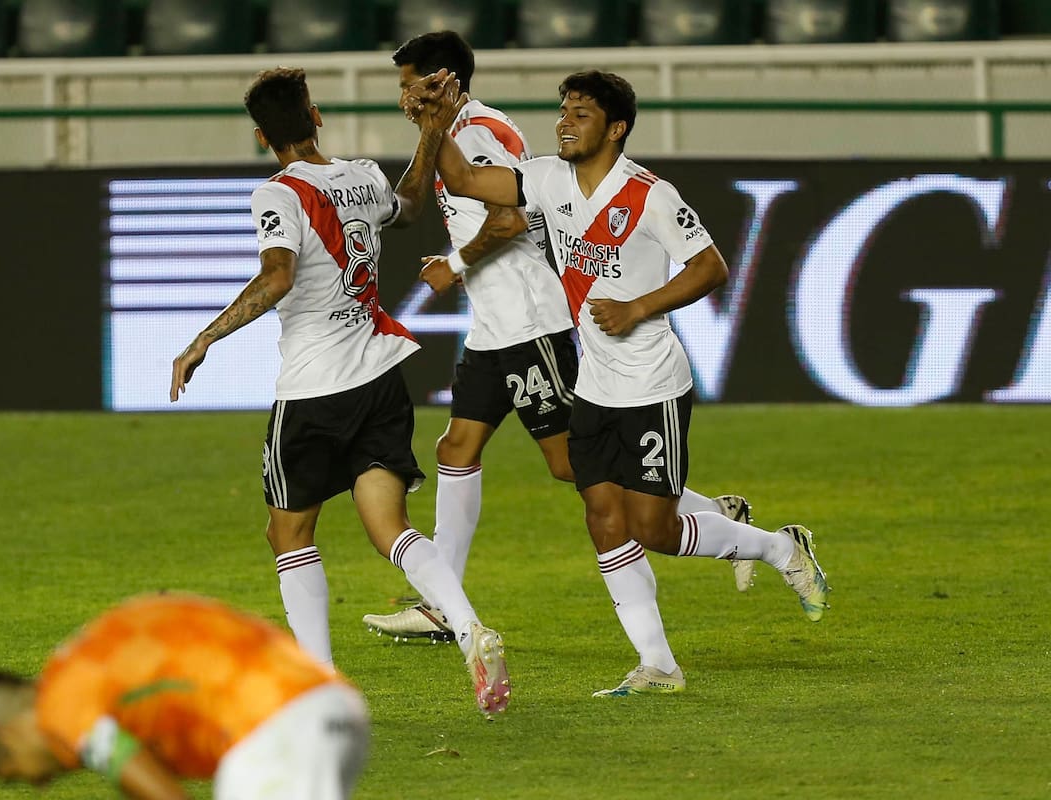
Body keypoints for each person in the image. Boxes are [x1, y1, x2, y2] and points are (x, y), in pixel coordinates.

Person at [414, 70, 830, 696]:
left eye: (580, 114)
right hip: (595, 388)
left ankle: (776, 548)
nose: (564, 121)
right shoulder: (549, 180)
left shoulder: (648, 194)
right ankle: (658, 666)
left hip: (653, 384)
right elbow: (469, 181)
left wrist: (640, 307)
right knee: (604, 521)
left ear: (616, 128)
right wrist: (437, 120)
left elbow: (711, 265)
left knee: (655, 530)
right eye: (563, 111)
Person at [362, 32, 760, 644]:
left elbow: (515, 214)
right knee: (455, 449)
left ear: (440, 78)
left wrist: (455, 263)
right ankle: (442, 604)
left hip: (530, 320)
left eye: (409, 82)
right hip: (493, 327)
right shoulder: (460, 126)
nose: (402, 94)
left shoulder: (478, 129)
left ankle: (707, 513)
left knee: (573, 463)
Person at [168, 68, 508, 715]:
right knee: (390, 528)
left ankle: (319, 681)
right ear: (316, 115)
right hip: (379, 375)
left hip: (314, 389)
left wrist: (205, 338)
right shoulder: (359, 175)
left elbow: (277, 276)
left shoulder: (278, 193)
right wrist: (432, 133)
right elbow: (407, 209)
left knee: (288, 533)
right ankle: (468, 627)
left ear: (264, 136)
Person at [0, 593, 370, 799]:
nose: (38, 784)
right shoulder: (81, 668)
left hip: (275, 726)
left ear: (8, 737)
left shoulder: (60, 705)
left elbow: (122, 759)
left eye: (15, 773)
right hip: (331, 705)